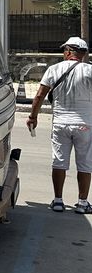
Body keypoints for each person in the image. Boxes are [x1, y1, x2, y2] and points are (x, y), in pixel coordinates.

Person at [27, 36, 92, 213]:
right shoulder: (89, 71)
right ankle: (83, 203)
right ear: (83, 54)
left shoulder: (53, 69)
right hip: (84, 124)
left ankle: (57, 200)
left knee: (59, 162)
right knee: (85, 164)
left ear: (70, 51)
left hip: (60, 123)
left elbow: (39, 95)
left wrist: (33, 117)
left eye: (65, 50)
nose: (63, 53)